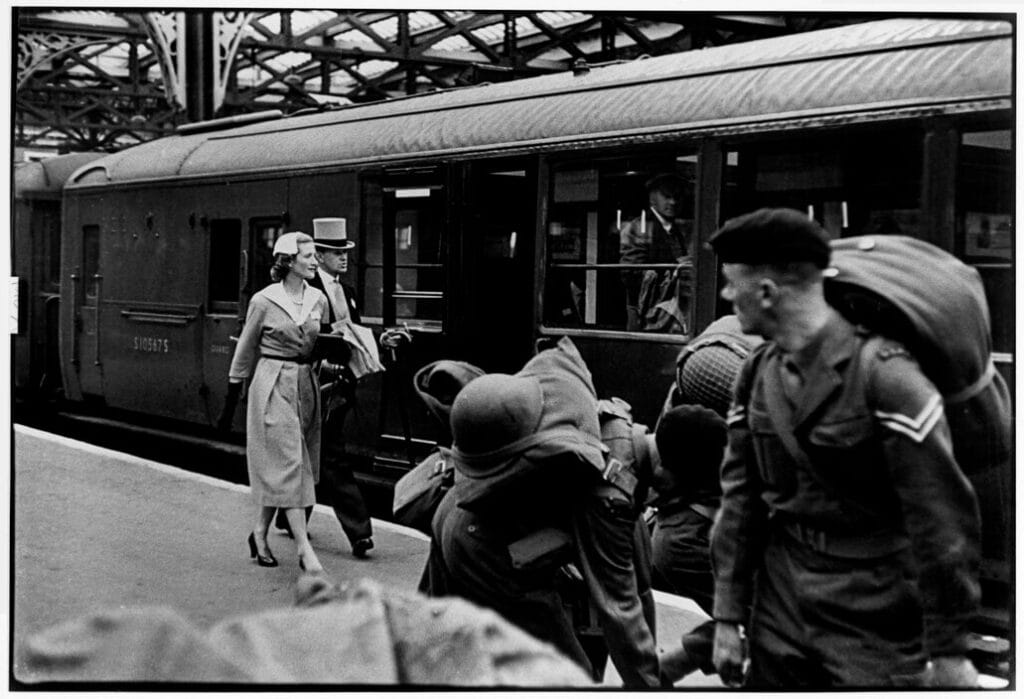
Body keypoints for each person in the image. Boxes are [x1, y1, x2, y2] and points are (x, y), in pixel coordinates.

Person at [707, 208, 982, 688]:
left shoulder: (887, 377)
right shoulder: (756, 374)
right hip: (780, 600)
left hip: (873, 611)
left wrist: (950, 650)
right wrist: (728, 617)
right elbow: (739, 504)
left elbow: (941, 522)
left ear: (768, 293)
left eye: (733, 283)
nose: (727, 295)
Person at [421, 339, 663, 687]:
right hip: (480, 546)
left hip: (455, 521)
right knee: (568, 674)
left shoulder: (587, 451)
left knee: (435, 644)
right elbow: (623, 607)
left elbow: (634, 594)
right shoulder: (612, 483)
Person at [223, 231, 328, 574]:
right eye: (309, 256)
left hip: (305, 385)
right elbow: (245, 350)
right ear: (288, 262)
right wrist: (232, 393)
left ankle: (259, 533)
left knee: (288, 466)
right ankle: (304, 549)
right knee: (290, 464)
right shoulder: (263, 301)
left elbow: (318, 345)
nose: (315, 261)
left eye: (315, 255)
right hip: (271, 385)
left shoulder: (317, 300)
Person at [274, 217, 374, 559]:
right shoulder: (304, 289)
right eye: (334, 252)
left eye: (344, 251)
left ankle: (288, 518)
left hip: (340, 385)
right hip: (313, 384)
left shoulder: (347, 292)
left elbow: (354, 332)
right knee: (331, 457)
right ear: (319, 255)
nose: (343, 258)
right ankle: (360, 532)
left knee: (312, 454)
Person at [619, 173, 692, 333]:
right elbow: (630, 273)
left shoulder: (676, 229)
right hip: (646, 311)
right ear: (652, 199)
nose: (673, 202)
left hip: (670, 308)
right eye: (667, 196)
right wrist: (676, 267)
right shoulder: (640, 227)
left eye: (677, 197)